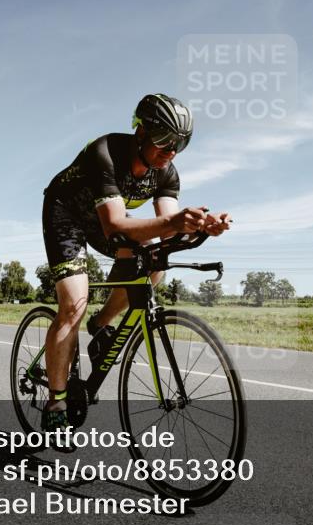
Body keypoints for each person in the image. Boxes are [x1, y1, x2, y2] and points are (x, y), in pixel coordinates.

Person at [39, 93, 231, 444]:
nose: (171, 150)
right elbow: (115, 224)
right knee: (73, 304)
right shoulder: (105, 152)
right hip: (66, 214)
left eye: (180, 143)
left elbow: (167, 228)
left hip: (102, 218)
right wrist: (176, 222)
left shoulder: (166, 173)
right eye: (164, 139)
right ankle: (56, 402)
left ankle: (101, 324)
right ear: (140, 131)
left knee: (155, 262)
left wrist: (202, 226)